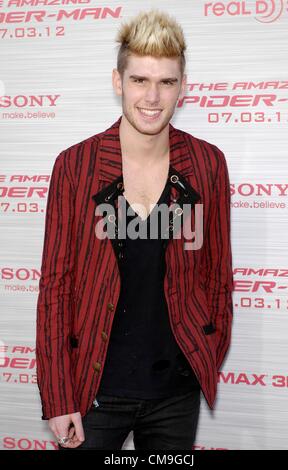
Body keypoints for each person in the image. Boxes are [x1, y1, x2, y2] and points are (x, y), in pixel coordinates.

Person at [35, 9, 234, 450]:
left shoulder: (206, 164)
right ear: (117, 81)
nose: (153, 96)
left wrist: (207, 349)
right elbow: (55, 287)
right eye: (140, 79)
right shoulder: (76, 166)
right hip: (92, 390)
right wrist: (57, 394)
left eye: (166, 81)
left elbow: (218, 274)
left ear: (182, 87)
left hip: (175, 394)